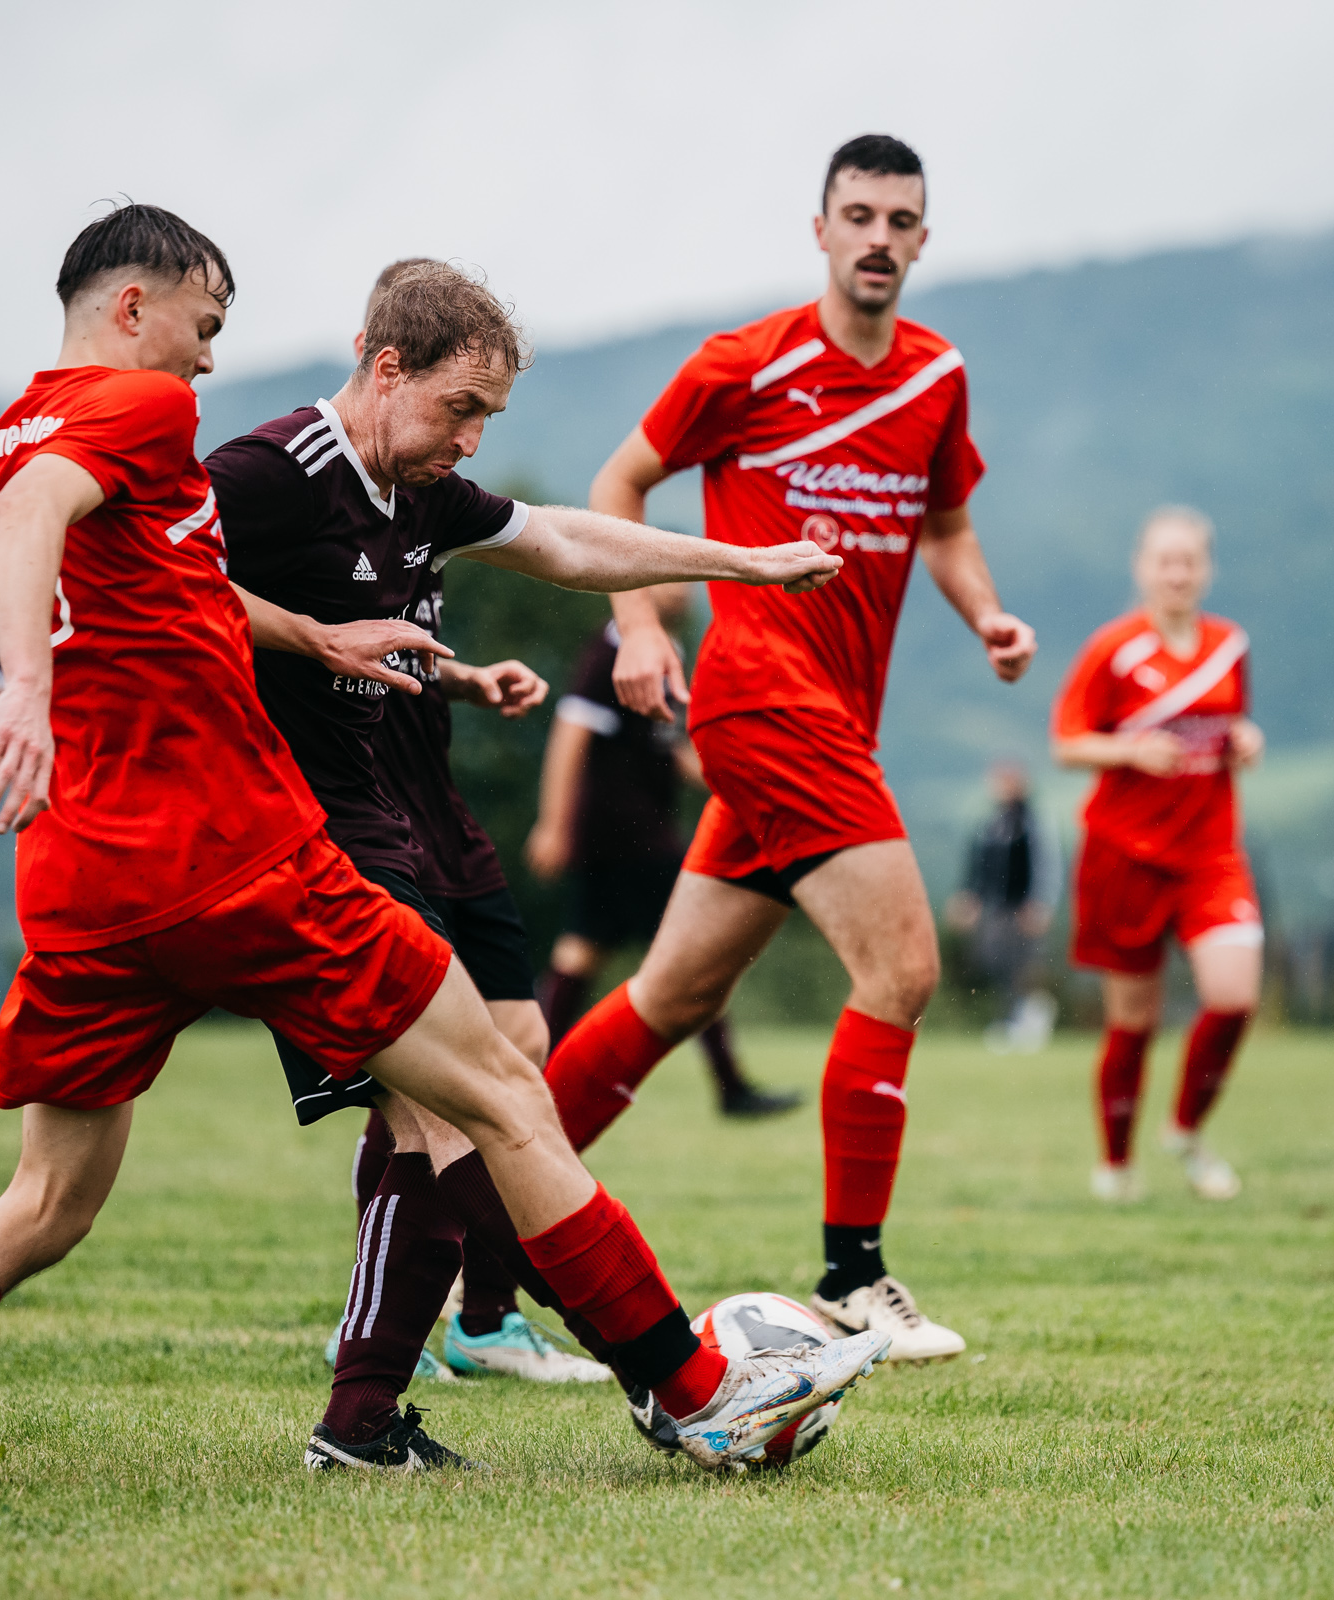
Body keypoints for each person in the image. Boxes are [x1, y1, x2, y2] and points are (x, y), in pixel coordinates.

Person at [0, 204, 886, 1487]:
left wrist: (328, 639)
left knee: (46, 1203)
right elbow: (41, 519)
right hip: (236, 853)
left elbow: (159, 575)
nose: (209, 362)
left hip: (86, 884)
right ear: (132, 307)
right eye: (203, 327)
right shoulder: (153, 417)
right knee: (498, 1091)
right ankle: (692, 1387)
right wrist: (27, 693)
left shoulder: (10, 428)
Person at [202, 252, 879, 1461]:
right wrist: (307, 635)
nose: (473, 438)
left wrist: (746, 564)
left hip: (389, 820)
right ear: (385, 366)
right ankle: (662, 1373)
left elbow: (565, 543)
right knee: (476, 1103)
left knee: (496, 1071)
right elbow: (152, 585)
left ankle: (377, 1408)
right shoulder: (268, 474)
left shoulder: (414, 488)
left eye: (490, 418)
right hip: (296, 836)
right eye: (462, 407)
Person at [545, 134, 1036, 1365]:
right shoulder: (746, 364)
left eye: (901, 220)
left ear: (924, 241)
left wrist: (989, 616)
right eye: (857, 214)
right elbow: (620, 482)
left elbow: (951, 526)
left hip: (828, 719)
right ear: (819, 229)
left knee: (673, 996)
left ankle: (483, 1235)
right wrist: (643, 626)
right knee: (906, 969)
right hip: (763, 698)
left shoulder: (939, 377)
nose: (878, 237)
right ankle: (854, 1276)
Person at [1050, 505, 1264, 1204]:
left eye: (1190, 561)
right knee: (1133, 1022)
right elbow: (1067, 742)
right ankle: (1116, 1165)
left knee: (1233, 998)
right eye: (1164, 560)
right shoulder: (1114, 649)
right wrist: (1130, 751)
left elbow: (1230, 726)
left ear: (1207, 569)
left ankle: (1186, 1130)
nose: (1177, 573)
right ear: (1142, 567)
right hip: (1125, 853)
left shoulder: (1229, 645)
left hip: (1209, 853)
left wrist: (1245, 742)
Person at [525, 584, 800, 1119]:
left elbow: (669, 754)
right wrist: (553, 826)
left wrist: (749, 787)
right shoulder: (611, 649)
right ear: (638, 586)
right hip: (625, 838)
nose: (684, 588)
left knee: (581, 954)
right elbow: (569, 737)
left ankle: (531, 1081)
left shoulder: (663, 652)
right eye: (669, 576)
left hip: (638, 836)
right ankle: (731, 1088)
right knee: (694, 958)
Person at [944, 762, 1059, 1053]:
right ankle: (1011, 1019)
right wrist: (968, 896)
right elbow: (977, 864)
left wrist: (1040, 901)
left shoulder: (1031, 821)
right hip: (995, 907)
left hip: (1021, 907)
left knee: (1022, 964)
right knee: (994, 961)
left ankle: (1032, 1017)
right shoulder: (992, 823)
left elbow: (1045, 863)